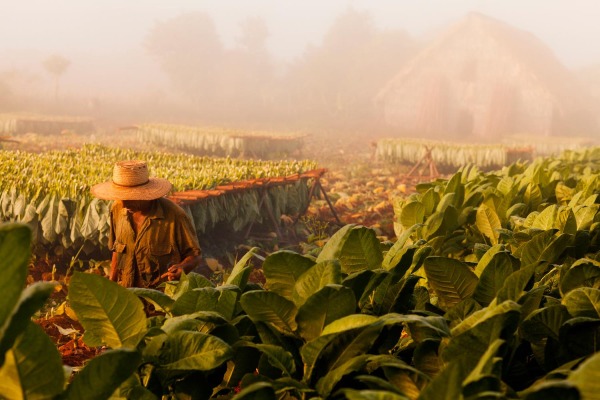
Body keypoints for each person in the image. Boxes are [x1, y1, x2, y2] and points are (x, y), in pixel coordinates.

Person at [91, 160, 204, 288]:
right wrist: (111, 283)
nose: (124, 204)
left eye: (129, 198)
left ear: (144, 193)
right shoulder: (117, 208)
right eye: (121, 197)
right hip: (126, 296)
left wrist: (182, 268)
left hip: (159, 300)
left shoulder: (174, 215)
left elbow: (195, 255)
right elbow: (116, 251)